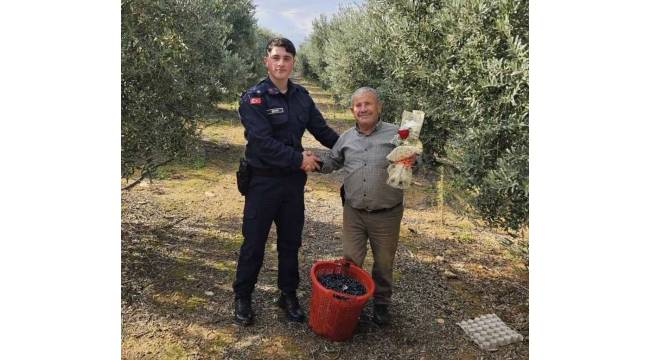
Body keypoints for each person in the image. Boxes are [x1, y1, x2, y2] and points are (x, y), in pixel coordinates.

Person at [233, 38, 338, 326]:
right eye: (276, 57)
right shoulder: (254, 98)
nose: (281, 63)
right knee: (253, 243)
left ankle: (287, 294)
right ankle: (243, 295)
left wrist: (353, 147)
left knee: (291, 242)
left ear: (293, 62)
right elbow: (262, 143)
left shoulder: (301, 96)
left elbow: (321, 130)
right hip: (262, 183)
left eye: (287, 58)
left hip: (292, 184)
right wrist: (298, 159)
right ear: (266, 60)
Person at [320, 87, 412, 326]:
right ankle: (351, 301)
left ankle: (381, 304)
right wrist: (308, 160)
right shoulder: (347, 137)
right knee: (350, 261)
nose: (363, 109)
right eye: (358, 105)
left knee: (383, 263)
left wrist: (413, 158)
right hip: (354, 213)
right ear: (352, 110)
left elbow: (414, 160)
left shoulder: (397, 135)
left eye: (367, 104)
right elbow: (333, 161)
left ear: (378, 106)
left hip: (387, 214)